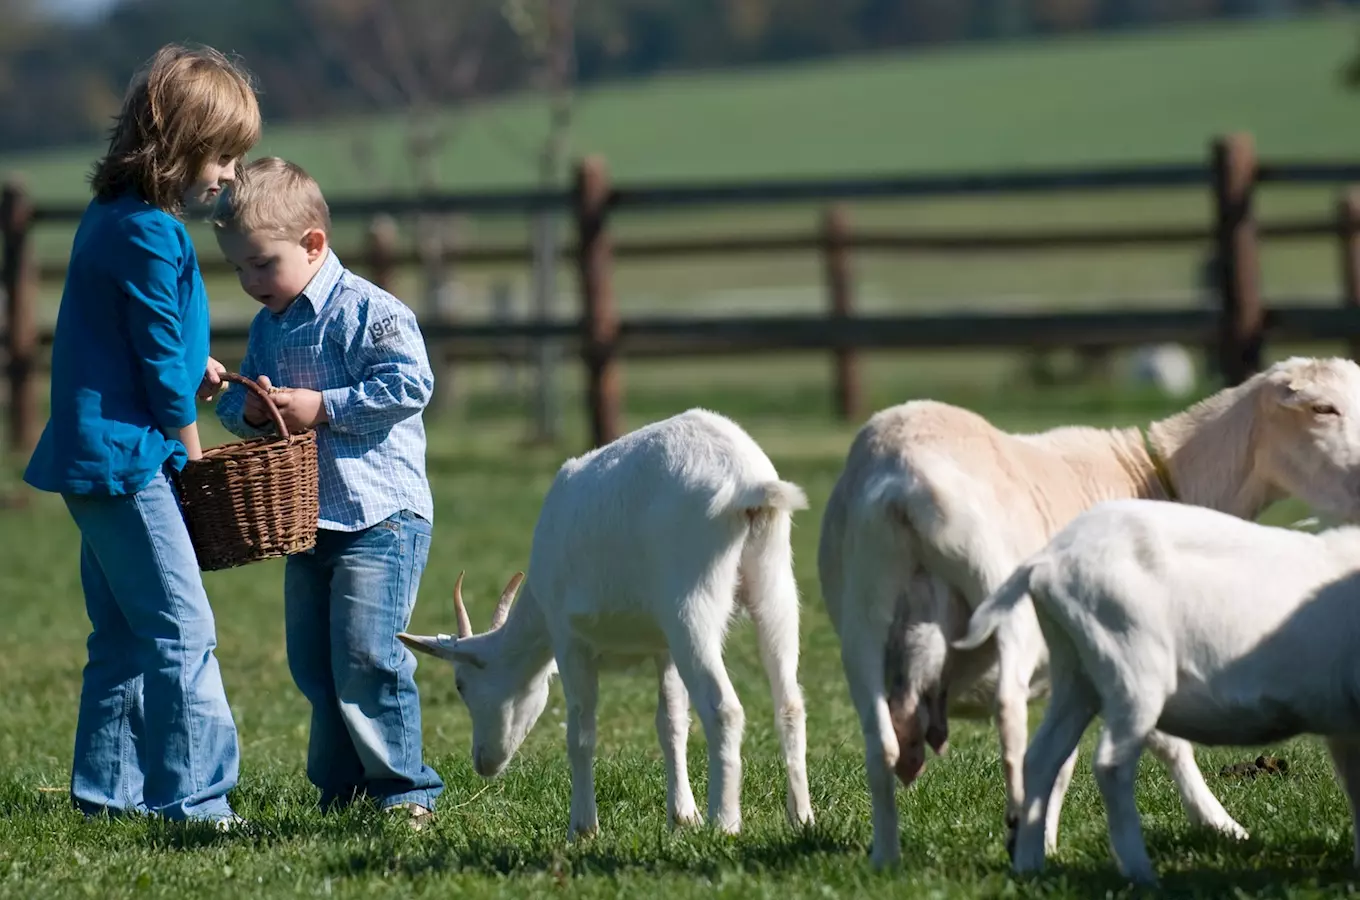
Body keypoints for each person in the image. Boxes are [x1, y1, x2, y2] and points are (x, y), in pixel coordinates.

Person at [22, 43, 261, 826]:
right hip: (130, 462)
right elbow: (161, 377)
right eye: (221, 155)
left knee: (124, 636)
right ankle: (196, 804)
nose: (229, 174)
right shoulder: (154, 236)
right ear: (177, 143)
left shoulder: (113, 218)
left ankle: (105, 796)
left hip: (93, 458)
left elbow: (149, 343)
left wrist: (200, 363)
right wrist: (196, 466)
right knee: (183, 632)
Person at [212, 157, 444, 827]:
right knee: (315, 664)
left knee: (369, 654)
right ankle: (340, 790)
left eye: (263, 263)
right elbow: (249, 403)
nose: (251, 282)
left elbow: (409, 385)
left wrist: (327, 406)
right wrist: (245, 413)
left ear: (314, 244)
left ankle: (404, 792)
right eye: (239, 269)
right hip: (305, 520)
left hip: (381, 516)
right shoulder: (268, 328)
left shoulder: (371, 312)